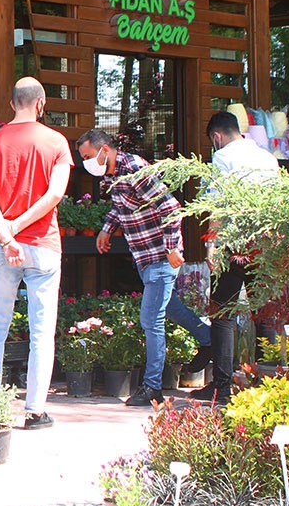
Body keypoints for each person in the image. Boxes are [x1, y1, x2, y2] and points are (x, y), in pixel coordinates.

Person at [78, 128, 212, 407]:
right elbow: (121, 207)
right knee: (172, 309)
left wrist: (173, 247)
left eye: (88, 156)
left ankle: (153, 387)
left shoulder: (136, 168)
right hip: (144, 256)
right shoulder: (113, 176)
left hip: (161, 256)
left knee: (151, 320)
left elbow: (171, 207)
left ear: (105, 150)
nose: (87, 163)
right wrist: (107, 229)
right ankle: (209, 339)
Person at [0, 77, 72, 430]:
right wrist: (16, 229)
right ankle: (35, 410)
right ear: (41, 103)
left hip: (2, 248)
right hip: (43, 246)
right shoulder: (57, 142)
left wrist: (5, 233)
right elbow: (54, 195)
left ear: (12, 102)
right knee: (42, 331)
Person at [198, 111, 280, 405]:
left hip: (233, 246)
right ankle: (266, 381)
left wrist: (213, 248)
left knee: (222, 314)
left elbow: (217, 206)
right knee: (264, 312)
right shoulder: (267, 158)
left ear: (217, 137)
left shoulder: (222, 158)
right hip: (265, 244)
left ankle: (222, 386)